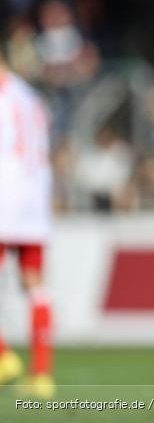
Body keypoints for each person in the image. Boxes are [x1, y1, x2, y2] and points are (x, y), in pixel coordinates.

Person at [0, 40, 55, 398]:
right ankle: (41, 375)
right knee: (35, 283)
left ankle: (4, 357)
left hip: (6, 195)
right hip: (35, 200)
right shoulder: (31, 97)